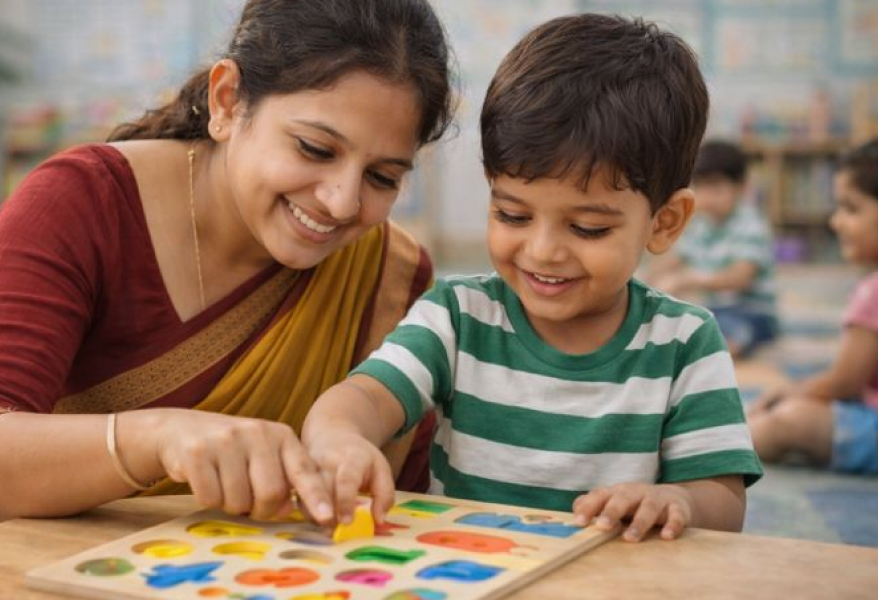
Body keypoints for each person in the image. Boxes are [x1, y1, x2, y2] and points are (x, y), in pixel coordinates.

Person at [0, 0, 455, 550]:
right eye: (314, 148)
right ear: (228, 101)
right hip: (9, 561)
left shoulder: (387, 277)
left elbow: (395, 518)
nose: (341, 202)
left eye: (382, 178)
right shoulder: (81, 205)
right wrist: (155, 438)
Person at [302, 13, 762, 544]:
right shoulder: (457, 316)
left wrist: (678, 499)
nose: (542, 252)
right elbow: (362, 398)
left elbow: (724, 500)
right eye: (513, 216)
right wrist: (340, 436)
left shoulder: (685, 342)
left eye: (588, 228)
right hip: (468, 572)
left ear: (665, 222)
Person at [747, 138, 878, 473]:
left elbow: (844, 384)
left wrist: (789, 393)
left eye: (851, 208)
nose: (835, 222)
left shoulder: (873, 292)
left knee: (788, 419)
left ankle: (721, 446)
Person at [646, 140, 779, 357]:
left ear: (742, 187)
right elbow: (672, 259)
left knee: (736, 329)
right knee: (689, 319)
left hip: (753, 312)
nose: (708, 198)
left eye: (717, 189)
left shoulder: (750, 223)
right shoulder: (700, 225)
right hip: (715, 309)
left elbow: (740, 277)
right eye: (702, 188)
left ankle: (726, 345)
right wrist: (646, 282)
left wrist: (689, 279)